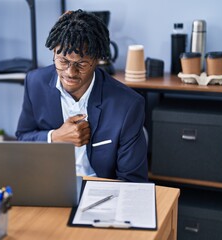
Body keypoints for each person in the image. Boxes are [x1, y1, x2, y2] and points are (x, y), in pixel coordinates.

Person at [16, 9, 148, 182]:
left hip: (100, 190)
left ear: (97, 60)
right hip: (49, 183)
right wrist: (55, 137)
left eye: (81, 63)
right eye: (63, 61)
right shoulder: (35, 83)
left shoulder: (127, 105)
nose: (70, 72)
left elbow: (132, 182)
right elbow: (22, 139)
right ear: (53, 52)